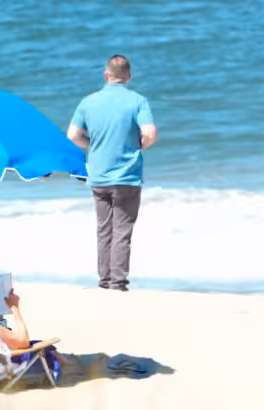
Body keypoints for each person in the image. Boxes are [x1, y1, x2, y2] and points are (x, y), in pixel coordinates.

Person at [67, 55, 158, 291]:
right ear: (128, 76)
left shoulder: (88, 102)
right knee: (122, 231)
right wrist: (139, 145)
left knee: (104, 229)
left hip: (98, 175)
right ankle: (118, 282)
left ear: (106, 75)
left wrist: (93, 146)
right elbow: (150, 133)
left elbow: (73, 136)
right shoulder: (138, 101)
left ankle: (104, 280)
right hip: (127, 175)